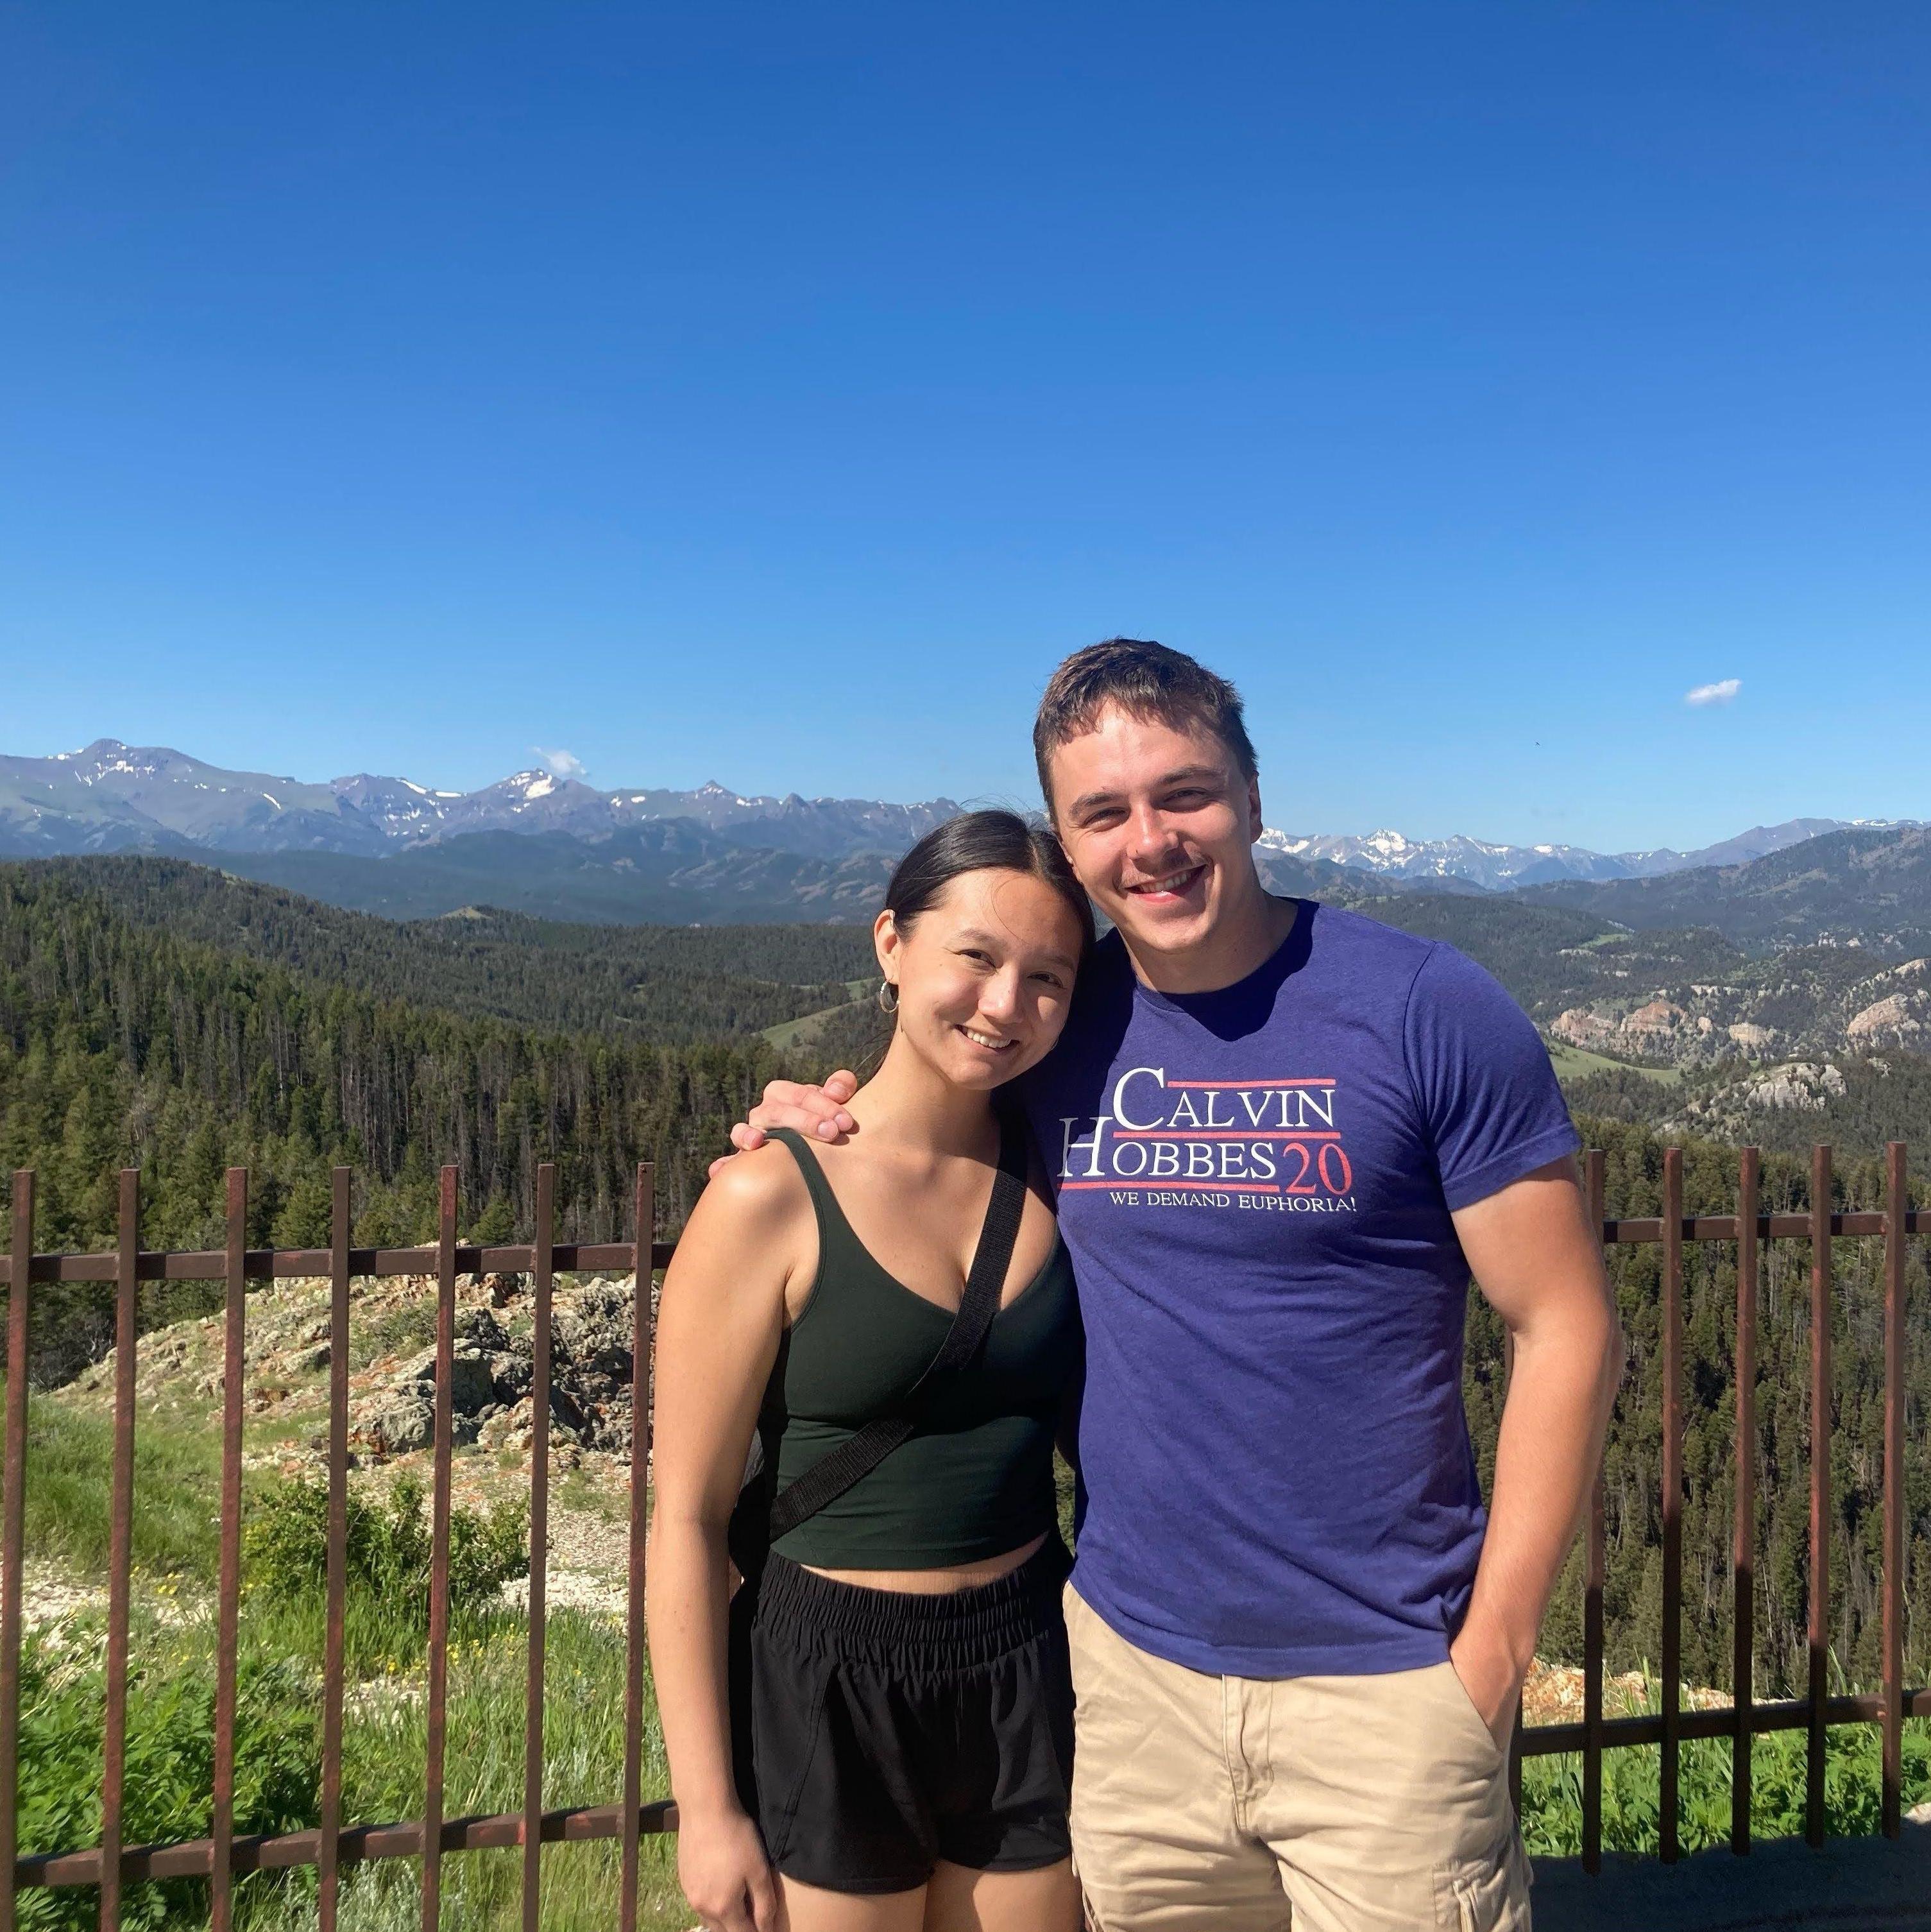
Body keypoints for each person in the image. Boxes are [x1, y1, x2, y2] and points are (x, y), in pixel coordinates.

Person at [725, 640, 1624, 1931]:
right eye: (1102, 812)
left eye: (1183, 794)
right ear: (1069, 843)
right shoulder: (1056, 1019)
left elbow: (1563, 1325)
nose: (1150, 841)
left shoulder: (1427, 1007)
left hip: (1382, 1685)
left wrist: (1491, 1653)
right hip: (1132, 1685)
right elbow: (930, 1097)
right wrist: (811, 1114)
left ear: (1252, 800)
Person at [648, 809, 1094, 1932]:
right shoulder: (767, 1197)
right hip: (828, 1674)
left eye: (1047, 977)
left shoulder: (1066, 1170)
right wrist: (706, 1809)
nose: (1006, 1006)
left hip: (1028, 1654)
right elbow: (686, 1522)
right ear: (891, 945)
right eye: (976, 957)